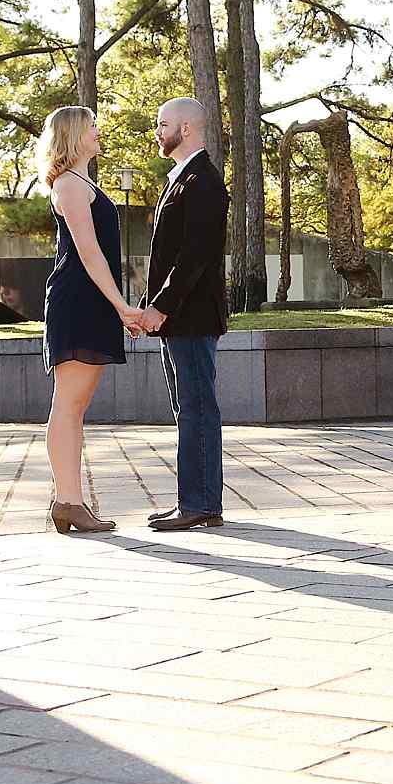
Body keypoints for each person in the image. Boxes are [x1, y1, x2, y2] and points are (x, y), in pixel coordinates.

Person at [38, 105, 143, 535]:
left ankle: (70, 500)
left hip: (89, 300)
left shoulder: (80, 183)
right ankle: (67, 501)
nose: (99, 131)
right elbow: (88, 251)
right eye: (92, 126)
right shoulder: (69, 185)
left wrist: (116, 305)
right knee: (68, 405)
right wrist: (122, 305)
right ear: (74, 134)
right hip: (79, 300)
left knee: (74, 406)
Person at [140, 97, 232, 531]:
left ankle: (198, 502)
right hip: (178, 317)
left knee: (197, 408)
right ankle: (198, 501)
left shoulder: (204, 183)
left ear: (188, 129)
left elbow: (195, 257)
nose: (157, 132)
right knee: (188, 408)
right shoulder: (180, 179)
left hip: (192, 317)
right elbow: (169, 256)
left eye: (163, 125)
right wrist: (149, 307)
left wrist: (161, 307)